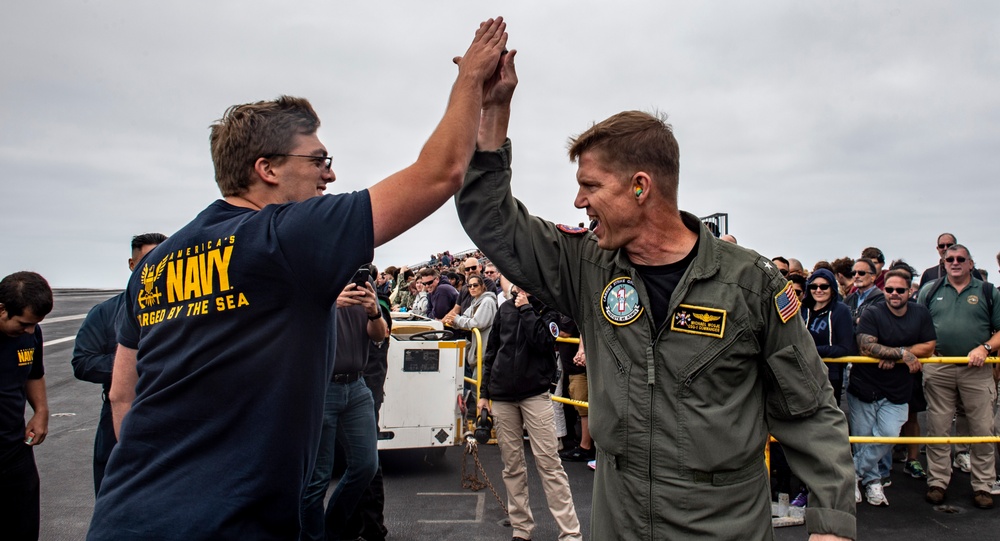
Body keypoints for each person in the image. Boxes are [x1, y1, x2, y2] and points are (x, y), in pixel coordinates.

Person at [88, 18, 509, 540]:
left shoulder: (154, 266)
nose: (329, 175)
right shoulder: (281, 238)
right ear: (267, 169)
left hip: (126, 513)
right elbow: (439, 172)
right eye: (318, 161)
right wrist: (472, 81)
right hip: (229, 524)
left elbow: (121, 394)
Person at [454, 52, 855, 540]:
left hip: (720, 525)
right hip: (619, 520)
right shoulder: (586, 267)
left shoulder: (751, 283)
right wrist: (493, 112)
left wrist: (831, 524)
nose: (579, 201)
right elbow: (492, 221)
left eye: (590, 186)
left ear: (640, 187)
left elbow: (809, 409)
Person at [477, 278, 582, 541]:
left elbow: (545, 343)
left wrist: (526, 309)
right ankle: (521, 528)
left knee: (549, 464)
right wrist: (483, 395)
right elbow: (491, 352)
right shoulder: (504, 309)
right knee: (512, 466)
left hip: (534, 395)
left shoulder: (550, 309)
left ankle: (570, 533)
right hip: (502, 395)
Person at [71, 232, 166, 495]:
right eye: (147, 261)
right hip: (118, 411)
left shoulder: (185, 312)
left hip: (171, 409)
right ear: (132, 265)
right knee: (112, 489)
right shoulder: (104, 313)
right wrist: (133, 363)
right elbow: (83, 362)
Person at [300, 277, 387, 541]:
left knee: (366, 466)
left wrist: (374, 313)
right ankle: (315, 537)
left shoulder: (364, 283)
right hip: (321, 386)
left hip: (357, 385)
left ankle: (330, 531)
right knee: (317, 479)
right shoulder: (312, 277)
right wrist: (330, 305)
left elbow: (380, 336)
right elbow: (292, 326)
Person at [918, 244, 1000, 510]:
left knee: (982, 430)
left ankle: (983, 486)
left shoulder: (988, 292)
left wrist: (985, 347)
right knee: (938, 428)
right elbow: (916, 324)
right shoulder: (929, 291)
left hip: (976, 368)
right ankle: (938, 482)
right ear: (943, 262)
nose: (954, 262)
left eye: (960, 259)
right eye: (949, 258)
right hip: (939, 365)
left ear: (970, 263)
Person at [851, 270, 936, 507]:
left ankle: (849, 475)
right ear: (884, 290)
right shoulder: (873, 312)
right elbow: (866, 345)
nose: (894, 294)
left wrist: (894, 352)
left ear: (910, 291)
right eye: (889, 289)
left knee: (888, 435)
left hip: (898, 388)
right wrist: (902, 353)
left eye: (900, 290)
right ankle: (872, 481)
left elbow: (929, 346)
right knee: (863, 438)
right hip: (865, 385)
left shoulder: (920, 313)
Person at [0, 271, 53, 541]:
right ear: (2, 309)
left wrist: (41, 411)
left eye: (35, 324)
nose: (30, 331)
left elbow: (34, 373)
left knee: (23, 526)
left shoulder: (31, 333)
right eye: (23, 323)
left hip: (14, 449)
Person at [844, 258, 884, 327]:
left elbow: (872, 322)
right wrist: (856, 320)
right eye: (854, 273)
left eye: (861, 273)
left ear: (873, 277)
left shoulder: (881, 299)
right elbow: (839, 318)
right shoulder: (849, 298)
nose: (856, 276)